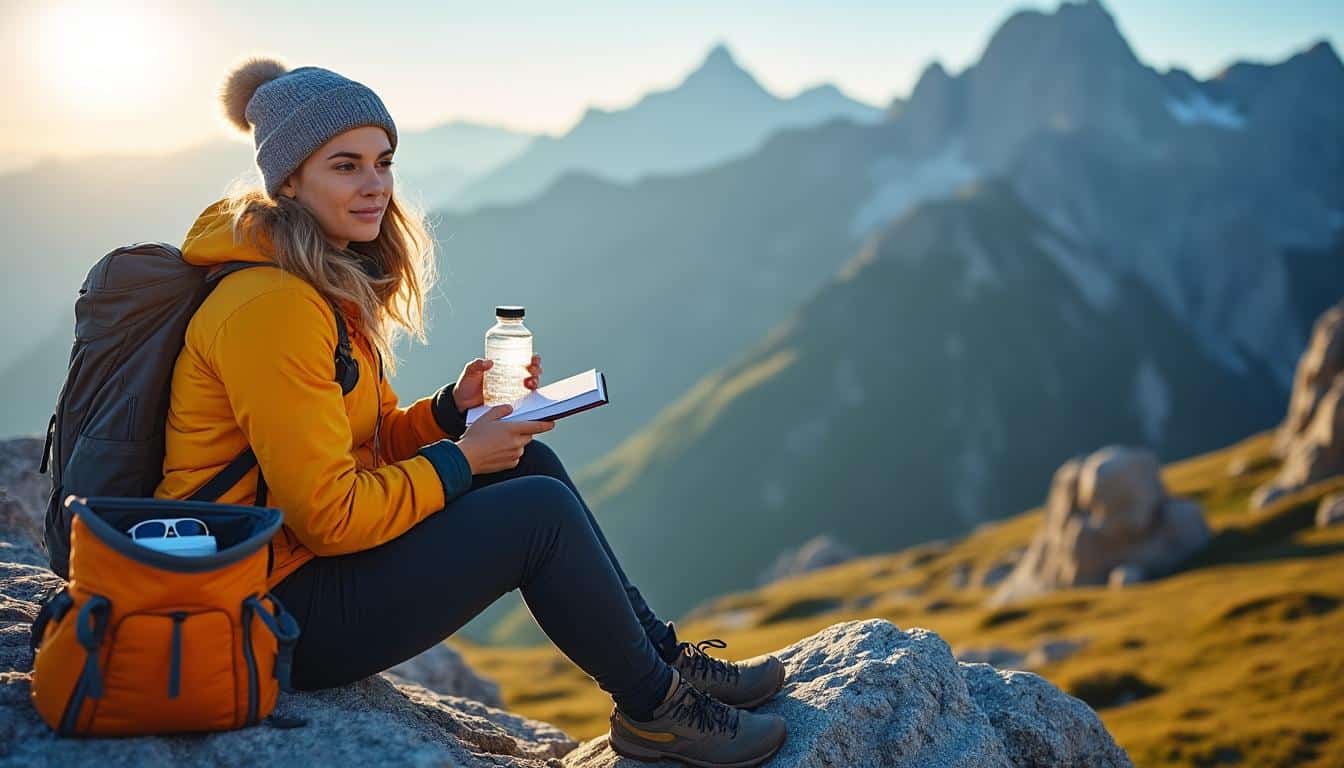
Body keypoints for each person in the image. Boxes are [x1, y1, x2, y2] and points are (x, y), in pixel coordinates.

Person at [151, 57, 788, 766]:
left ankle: (666, 665)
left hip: (291, 571)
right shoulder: (273, 307)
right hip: (262, 611)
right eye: (345, 165)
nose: (375, 186)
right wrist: (461, 459)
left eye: (383, 162)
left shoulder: (315, 284)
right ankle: (656, 710)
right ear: (290, 179)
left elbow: (363, 444)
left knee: (528, 463)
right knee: (534, 514)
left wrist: (451, 414)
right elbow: (329, 517)